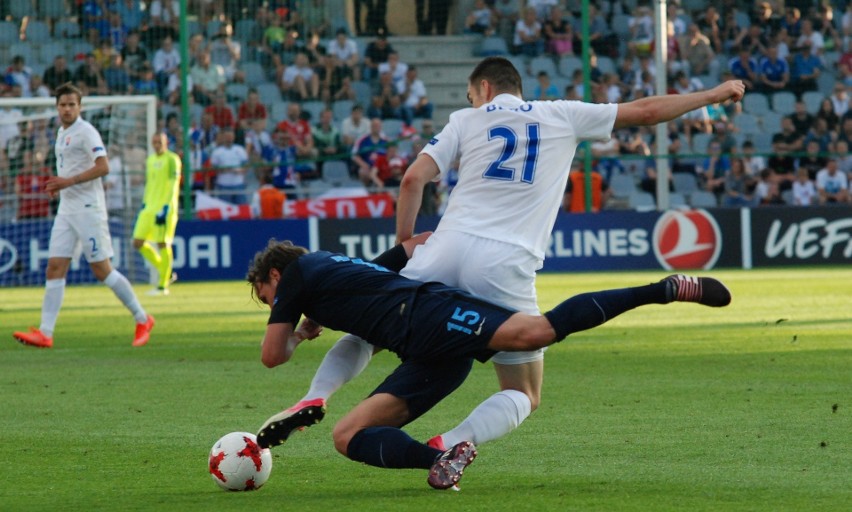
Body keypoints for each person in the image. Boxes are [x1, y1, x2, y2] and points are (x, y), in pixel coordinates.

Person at [258, 56, 745, 464]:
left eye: (471, 96)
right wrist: (713, 94)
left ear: (484, 89)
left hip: (443, 249)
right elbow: (646, 111)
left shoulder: (466, 121)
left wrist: (408, 248)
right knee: (524, 392)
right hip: (504, 263)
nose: (471, 103)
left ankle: (316, 395)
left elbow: (412, 180)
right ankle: (449, 444)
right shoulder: (562, 114)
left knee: (369, 328)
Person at [248, 239, 732, 489]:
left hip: (430, 313)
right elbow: (418, 240)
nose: (274, 306)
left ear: (276, 275)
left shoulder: (299, 274)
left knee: (536, 331)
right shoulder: (335, 268)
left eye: (268, 298)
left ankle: (663, 290)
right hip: (428, 353)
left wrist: (294, 332)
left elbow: (272, 355)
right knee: (345, 437)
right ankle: (440, 458)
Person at [12, 83, 154, 349]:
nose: (67, 109)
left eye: (72, 104)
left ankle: (142, 318)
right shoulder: (61, 132)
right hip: (67, 209)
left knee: (102, 270)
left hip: (89, 208)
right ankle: (45, 332)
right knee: (54, 266)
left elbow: (104, 166)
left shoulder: (87, 132)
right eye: (63, 105)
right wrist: (59, 186)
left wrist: (69, 181)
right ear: (57, 107)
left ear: (80, 106)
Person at [132, 132, 181, 296]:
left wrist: (166, 207)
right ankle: (165, 272)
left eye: (159, 141)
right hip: (149, 208)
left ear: (166, 142)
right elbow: (150, 184)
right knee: (137, 242)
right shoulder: (150, 160)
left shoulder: (172, 159)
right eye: (154, 142)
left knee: (162, 243)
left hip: (164, 208)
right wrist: (145, 203)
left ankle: (162, 286)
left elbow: (174, 184)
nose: (157, 144)